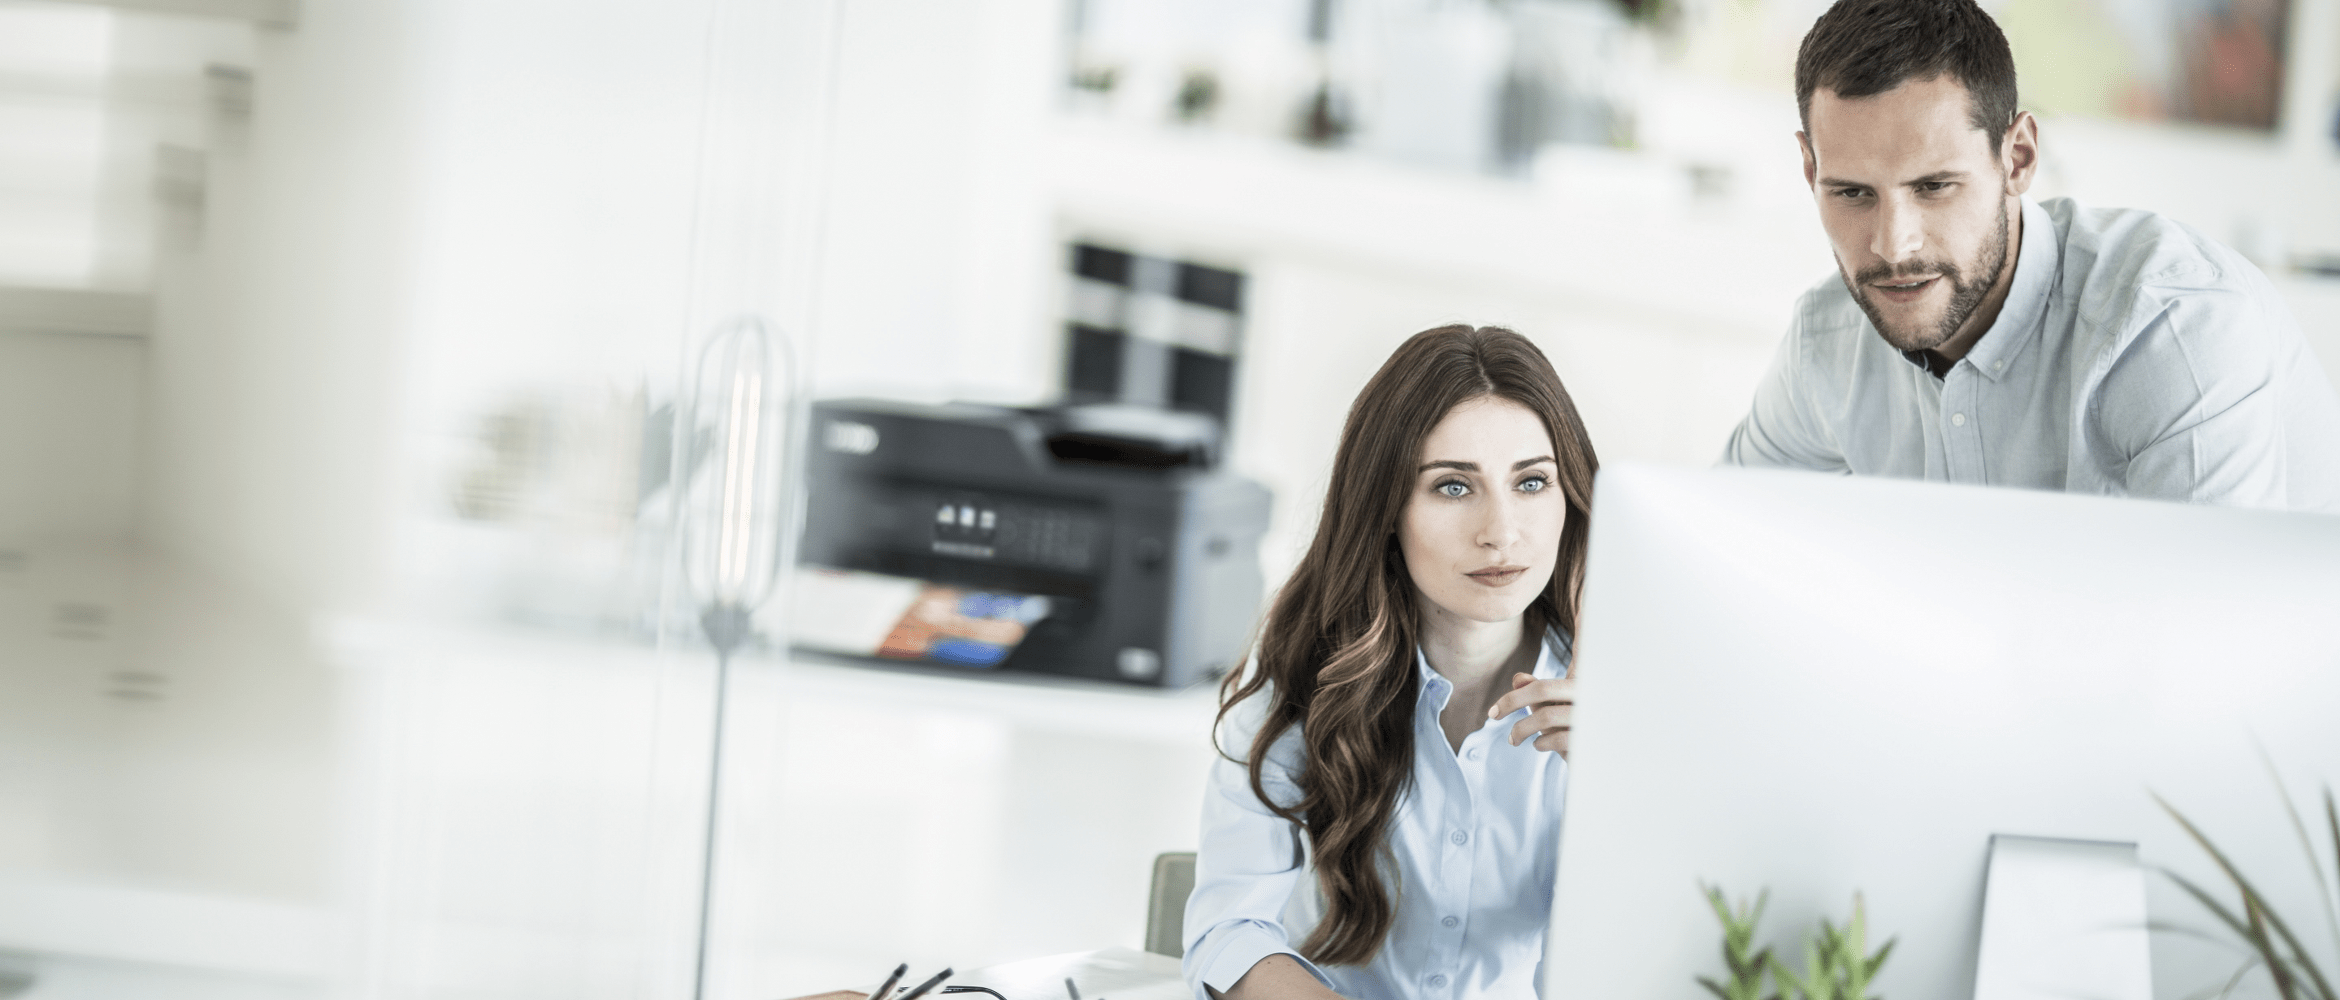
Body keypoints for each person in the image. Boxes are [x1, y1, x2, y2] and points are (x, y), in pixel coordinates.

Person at [1723, 0, 2340, 512]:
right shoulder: (1825, 342)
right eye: (1853, 193)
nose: (1893, 246)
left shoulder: (2173, 329)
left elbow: (2204, 636)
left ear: (2016, 158)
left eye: (1935, 186)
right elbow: (1723, 539)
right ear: (1810, 170)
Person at [1182, 325, 1598, 1000]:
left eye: (1531, 482)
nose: (1501, 531)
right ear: (1386, 509)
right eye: (1453, 488)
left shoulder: (1622, 703)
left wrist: (1616, 794)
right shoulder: (1302, 677)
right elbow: (1229, 931)